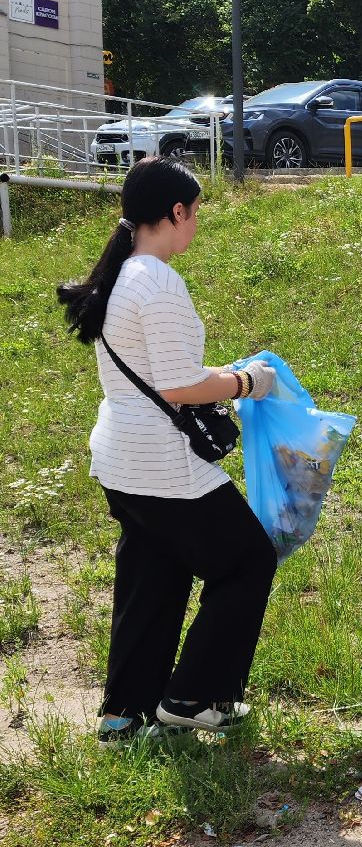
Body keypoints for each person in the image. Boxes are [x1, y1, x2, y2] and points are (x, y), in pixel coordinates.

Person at [56, 156, 279, 744]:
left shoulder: (122, 274)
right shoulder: (156, 281)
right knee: (247, 560)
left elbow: (162, 375)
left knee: (152, 573)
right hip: (164, 466)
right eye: (195, 211)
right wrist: (247, 382)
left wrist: (225, 372)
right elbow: (179, 388)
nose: (197, 223)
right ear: (176, 212)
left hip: (120, 460)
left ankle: (124, 715)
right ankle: (193, 698)